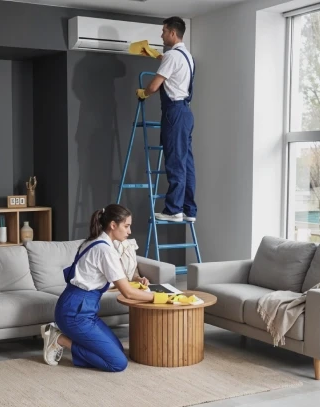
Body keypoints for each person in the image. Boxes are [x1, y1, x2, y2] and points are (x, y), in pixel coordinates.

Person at [40, 204, 168, 372]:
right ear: (113, 225)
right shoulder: (104, 249)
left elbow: (116, 279)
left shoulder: (95, 242)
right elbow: (127, 293)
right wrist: (160, 298)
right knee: (117, 363)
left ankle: (68, 337)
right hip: (74, 313)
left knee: (117, 351)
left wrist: (137, 280)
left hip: (83, 309)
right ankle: (60, 339)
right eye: (126, 226)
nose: (129, 231)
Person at [136, 16, 197, 223]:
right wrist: (155, 55)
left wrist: (143, 92)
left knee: (175, 161)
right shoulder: (186, 56)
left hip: (174, 112)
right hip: (185, 112)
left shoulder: (172, 56)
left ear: (172, 33)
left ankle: (173, 210)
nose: (161, 35)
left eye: (163, 31)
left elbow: (154, 86)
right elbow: (171, 64)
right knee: (186, 162)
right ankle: (189, 210)